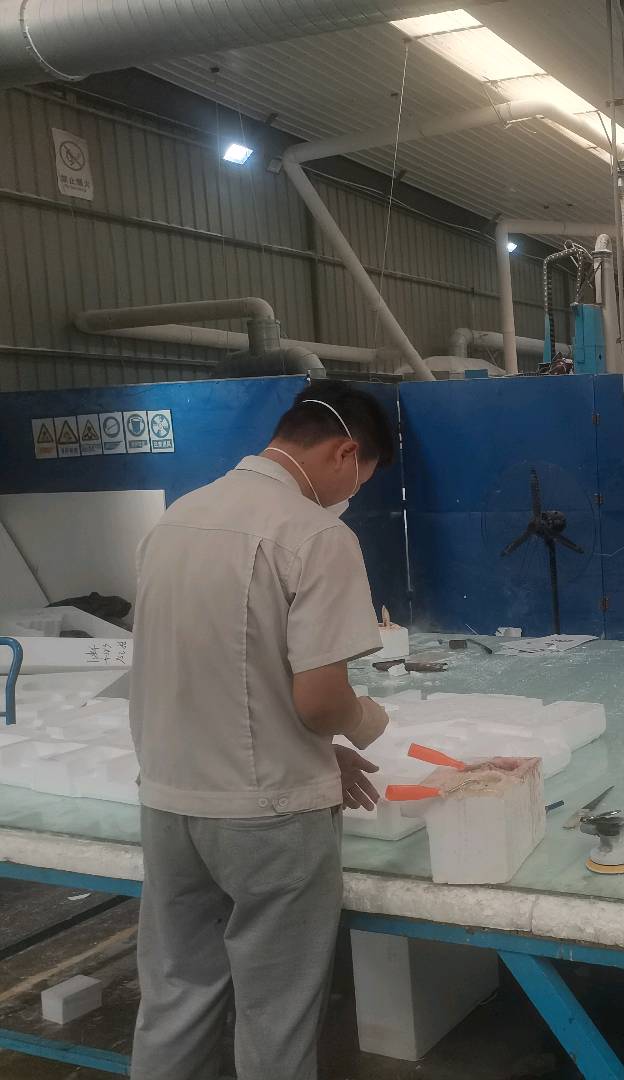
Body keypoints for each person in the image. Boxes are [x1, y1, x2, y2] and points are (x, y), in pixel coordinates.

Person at [128, 380, 396, 1080]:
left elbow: (205, 672)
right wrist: (363, 723)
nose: (348, 497)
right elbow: (321, 701)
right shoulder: (316, 535)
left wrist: (314, 754)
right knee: (276, 1014)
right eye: (358, 481)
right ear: (345, 453)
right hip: (268, 820)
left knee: (176, 994)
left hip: (169, 802)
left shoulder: (176, 519)